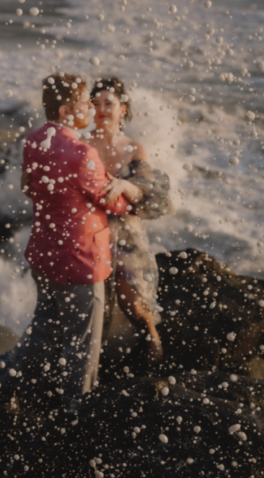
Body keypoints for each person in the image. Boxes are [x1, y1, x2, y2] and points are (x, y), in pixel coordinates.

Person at [13, 73, 136, 409]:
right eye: (85, 103)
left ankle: (30, 397)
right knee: (81, 346)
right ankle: (75, 413)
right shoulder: (83, 154)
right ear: (67, 109)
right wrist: (130, 187)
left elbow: (30, 186)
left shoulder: (34, 140)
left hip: (44, 252)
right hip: (81, 261)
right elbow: (116, 203)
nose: (91, 108)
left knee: (44, 331)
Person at [89, 77, 173, 363]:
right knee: (94, 301)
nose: (101, 109)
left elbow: (150, 195)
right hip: (92, 231)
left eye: (108, 104)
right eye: (95, 104)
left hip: (127, 234)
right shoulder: (83, 146)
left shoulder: (134, 148)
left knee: (133, 301)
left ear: (122, 109)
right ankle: (96, 358)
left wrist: (125, 186)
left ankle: (154, 343)